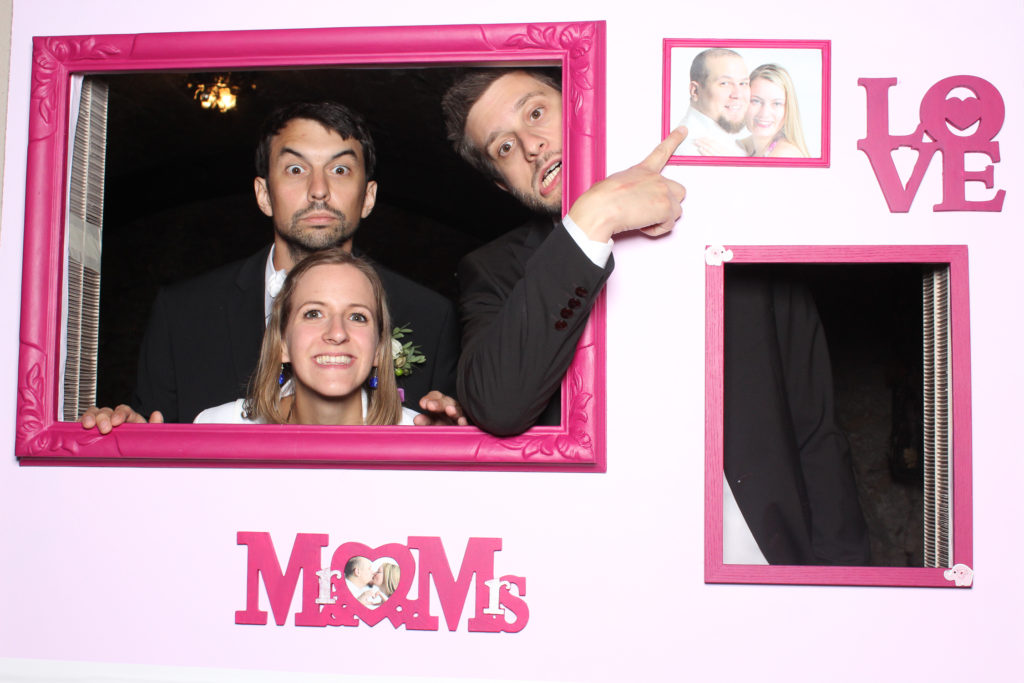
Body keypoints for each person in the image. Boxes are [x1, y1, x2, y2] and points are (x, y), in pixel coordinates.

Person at [129, 101, 461, 424]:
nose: (319, 190)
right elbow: (150, 438)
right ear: (264, 195)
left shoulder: (430, 316)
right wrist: (120, 432)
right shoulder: (182, 312)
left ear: (368, 197)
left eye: (340, 170)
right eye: (296, 169)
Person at [441, 69, 687, 435]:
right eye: (505, 147)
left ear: (578, 105)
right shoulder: (491, 270)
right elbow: (497, 405)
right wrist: (594, 216)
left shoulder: (701, 174)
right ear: (503, 184)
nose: (531, 146)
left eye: (536, 113)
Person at [672, 48, 749, 157]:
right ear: (695, 91)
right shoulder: (691, 149)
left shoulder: (727, 139)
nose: (738, 94)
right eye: (724, 83)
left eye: (743, 83)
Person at [739, 64, 809, 158]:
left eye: (776, 104)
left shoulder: (784, 155)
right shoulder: (744, 146)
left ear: (788, 110)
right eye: (756, 101)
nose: (764, 113)